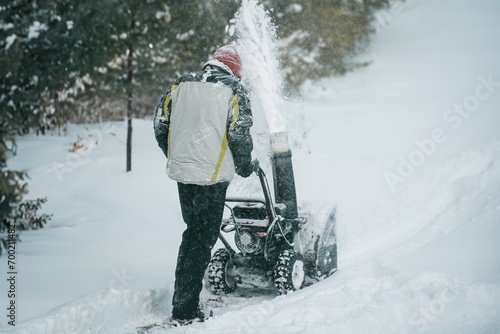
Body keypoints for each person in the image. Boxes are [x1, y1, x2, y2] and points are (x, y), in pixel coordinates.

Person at [153, 45, 256, 326]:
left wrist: (178, 156)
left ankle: (182, 301)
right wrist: (246, 166)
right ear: (235, 70)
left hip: (183, 174)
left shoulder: (181, 84)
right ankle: (185, 310)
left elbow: (160, 124)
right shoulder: (234, 89)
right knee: (201, 237)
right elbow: (239, 133)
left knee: (193, 233)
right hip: (212, 177)